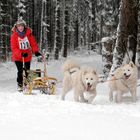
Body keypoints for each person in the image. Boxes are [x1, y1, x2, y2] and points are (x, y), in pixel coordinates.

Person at [10, 18, 41, 91]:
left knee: (27, 70)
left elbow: (33, 44)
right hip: (18, 56)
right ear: (16, 27)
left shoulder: (28, 34)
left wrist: (36, 51)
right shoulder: (14, 36)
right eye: (19, 26)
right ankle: (20, 84)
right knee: (20, 71)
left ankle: (28, 83)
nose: (20, 27)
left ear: (24, 27)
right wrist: (21, 53)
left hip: (27, 55)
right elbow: (14, 48)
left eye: (22, 26)